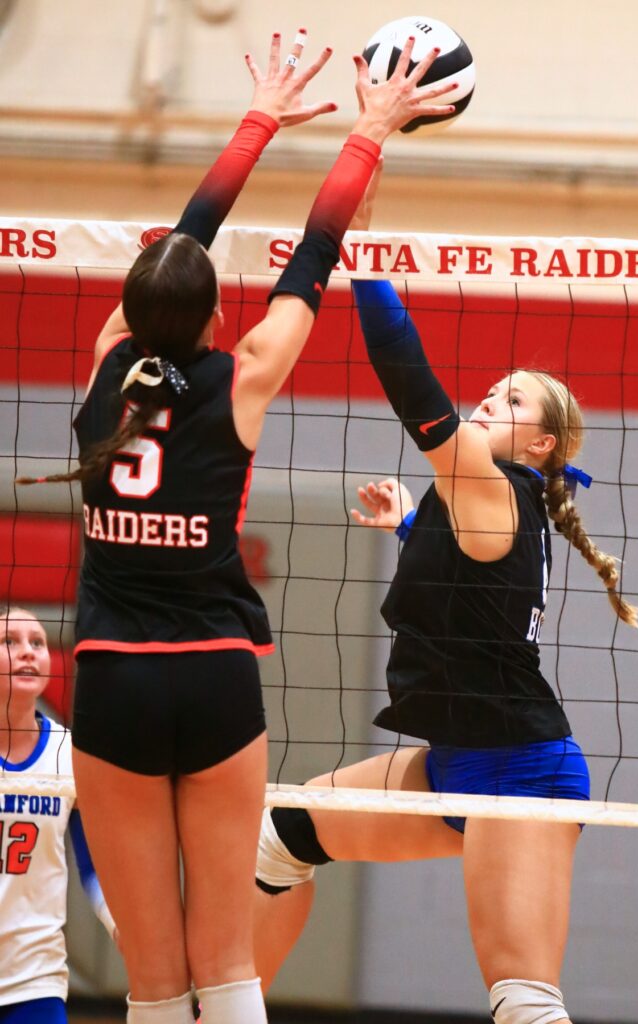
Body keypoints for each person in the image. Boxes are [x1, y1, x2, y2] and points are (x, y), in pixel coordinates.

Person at [18, 31, 455, 1024]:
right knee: (227, 964)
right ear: (217, 316)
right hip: (215, 674)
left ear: (128, 314)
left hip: (118, 680)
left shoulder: (101, 368)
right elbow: (314, 253)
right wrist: (367, 131)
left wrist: (257, 115)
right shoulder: (244, 378)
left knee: (155, 981)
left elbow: (178, 247)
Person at [253, 165, 638, 1024]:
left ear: (538, 442)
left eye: (506, 400)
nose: (483, 402)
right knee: (281, 835)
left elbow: (411, 386)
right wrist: (405, 531)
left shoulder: (492, 479)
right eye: (489, 391)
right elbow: (480, 595)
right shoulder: (495, 499)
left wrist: (365, 259)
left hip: (520, 773)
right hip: (456, 756)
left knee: (522, 1002)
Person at [0, 607, 115, 1024]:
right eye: (9, 642)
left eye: (38, 643)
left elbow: (92, 866)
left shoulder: (68, 754)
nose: (28, 652)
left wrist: (119, 923)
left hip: (35, 978)